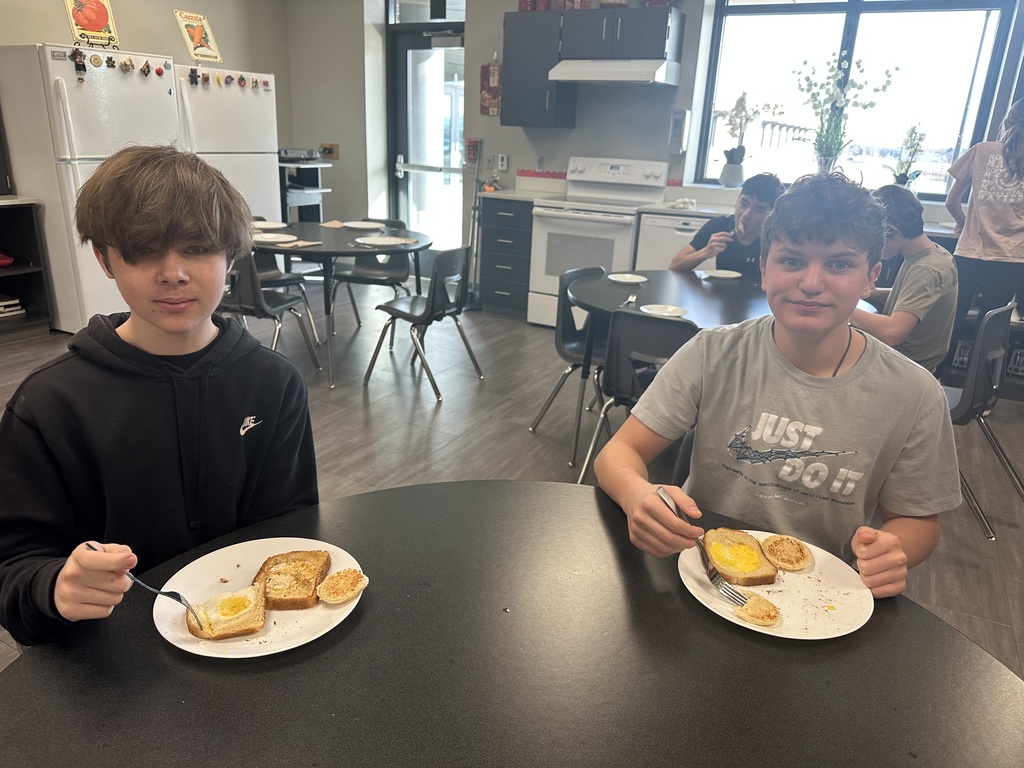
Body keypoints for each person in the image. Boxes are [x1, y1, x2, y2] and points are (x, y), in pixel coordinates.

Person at [0, 146, 319, 646]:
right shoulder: (48, 405)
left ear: (230, 255)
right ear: (105, 259)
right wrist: (54, 587)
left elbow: (291, 532)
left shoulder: (274, 383)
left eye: (197, 247)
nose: (173, 273)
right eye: (144, 250)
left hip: (247, 640)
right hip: (108, 661)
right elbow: (13, 568)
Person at [594, 173, 960, 599]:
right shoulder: (713, 353)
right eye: (792, 260)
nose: (811, 282)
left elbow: (917, 520)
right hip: (703, 576)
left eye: (839, 264)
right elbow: (619, 452)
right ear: (764, 269)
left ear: (870, 278)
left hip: (822, 593)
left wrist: (892, 551)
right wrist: (637, 494)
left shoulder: (913, 394)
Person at [942, 98, 1024, 373]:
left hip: (970, 252)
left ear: (1006, 123)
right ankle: (977, 396)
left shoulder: (981, 151)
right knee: (990, 328)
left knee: (951, 320)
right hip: (1012, 258)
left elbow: (951, 202)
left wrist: (965, 223)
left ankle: (937, 385)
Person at [849, 184, 957, 373]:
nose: (873, 247)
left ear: (892, 232)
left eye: (875, 239)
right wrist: (874, 292)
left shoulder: (926, 268)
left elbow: (893, 333)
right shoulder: (934, 254)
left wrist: (841, 309)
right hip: (910, 360)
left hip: (906, 366)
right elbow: (915, 296)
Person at [668, 172, 784, 278]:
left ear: (771, 215)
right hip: (721, 295)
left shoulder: (775, 239)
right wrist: (705, 253)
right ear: (737, 200)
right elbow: (674, 266)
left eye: (758, 210)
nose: (746, 214)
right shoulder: (718, 226)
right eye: (744, 203)